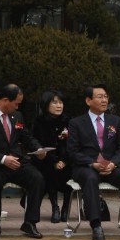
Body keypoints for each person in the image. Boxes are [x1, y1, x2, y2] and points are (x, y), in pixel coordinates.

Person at [0, 84, 47, 240]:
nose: (18, 107)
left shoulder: (17, 116)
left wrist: (39, 149)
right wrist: (3, 159)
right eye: (16, 103)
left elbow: (26, 136)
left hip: (17, 162)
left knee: (37, 178)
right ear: (5, 100)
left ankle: (30, 222)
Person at [67, 84, 120, 240]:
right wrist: (92, 163)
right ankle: (96, 225)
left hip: (111, 166)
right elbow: (73, 151)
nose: (104, 100)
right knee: (91, 178)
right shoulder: (76, 123)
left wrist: (113, 163)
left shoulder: (116, 121)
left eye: (106, 96)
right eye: (99, 97)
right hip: (87, 167)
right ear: (88, 100)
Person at [31, 90, 71, 224]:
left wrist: (64, 160)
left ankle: (66, 207)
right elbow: (37, 144)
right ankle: (55, 207)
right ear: (46, 104)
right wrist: (54, 161)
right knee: (48, 170)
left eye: (61, 102)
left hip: (66, 159)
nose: (59, 105)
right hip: (46, 160)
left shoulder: (68, 121)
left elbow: (72, 145)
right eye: (55, 102)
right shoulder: (39, 122)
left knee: (71, 169)